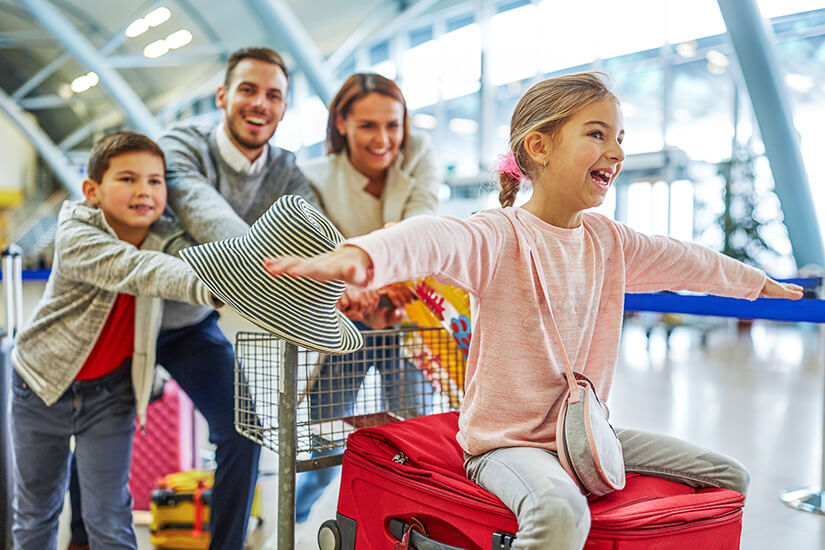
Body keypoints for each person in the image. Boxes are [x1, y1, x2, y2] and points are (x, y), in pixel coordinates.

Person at [261, 72, 804, 550]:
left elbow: (686, 261)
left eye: (620, 138)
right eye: (597, 134)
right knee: (559, 512)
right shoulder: (500, 235)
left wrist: (758, 284)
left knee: (725, 477)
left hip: (584, 437)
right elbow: (432, 238)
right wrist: (363, 256)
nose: (616, 152)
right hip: (505, 445)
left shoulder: (610, 241)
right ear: (539, 147)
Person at [9, 132, 220, 550]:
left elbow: (206, 250)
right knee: (36, 513)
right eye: (127, 179)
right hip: (39, 386)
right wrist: (222, 285)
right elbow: (140, 270)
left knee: (109, 516)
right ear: (92, 191)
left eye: (155, 181)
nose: (144, 190)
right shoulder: (76, 233)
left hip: (110, 393)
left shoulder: (166, 235)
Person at [155, 46, 317, 549]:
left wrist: (343, 281)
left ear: (284, 108)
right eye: (248, 90)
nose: (260, 103)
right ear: (223, 96)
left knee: (243, 432)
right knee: (104, 435)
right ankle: (80, 535)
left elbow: (314, 236)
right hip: (131, 315)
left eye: (274, 95)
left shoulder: (284, 170)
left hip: (190, 324)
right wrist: (265, 267)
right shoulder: (181, 146)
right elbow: (202, 213)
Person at [293, 72, 441, 523]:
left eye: (393, 125)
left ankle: (404, 530)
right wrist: (360, 285)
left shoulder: (420, 154)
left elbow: (422, 227)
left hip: (407, 318)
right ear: (341, 123)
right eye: (367, 126)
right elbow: (320, 253)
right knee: (324, 446)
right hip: (343, 325)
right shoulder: (313, 177)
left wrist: (370, 278)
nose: (383, 139)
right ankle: (293, 516)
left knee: (417, 440)